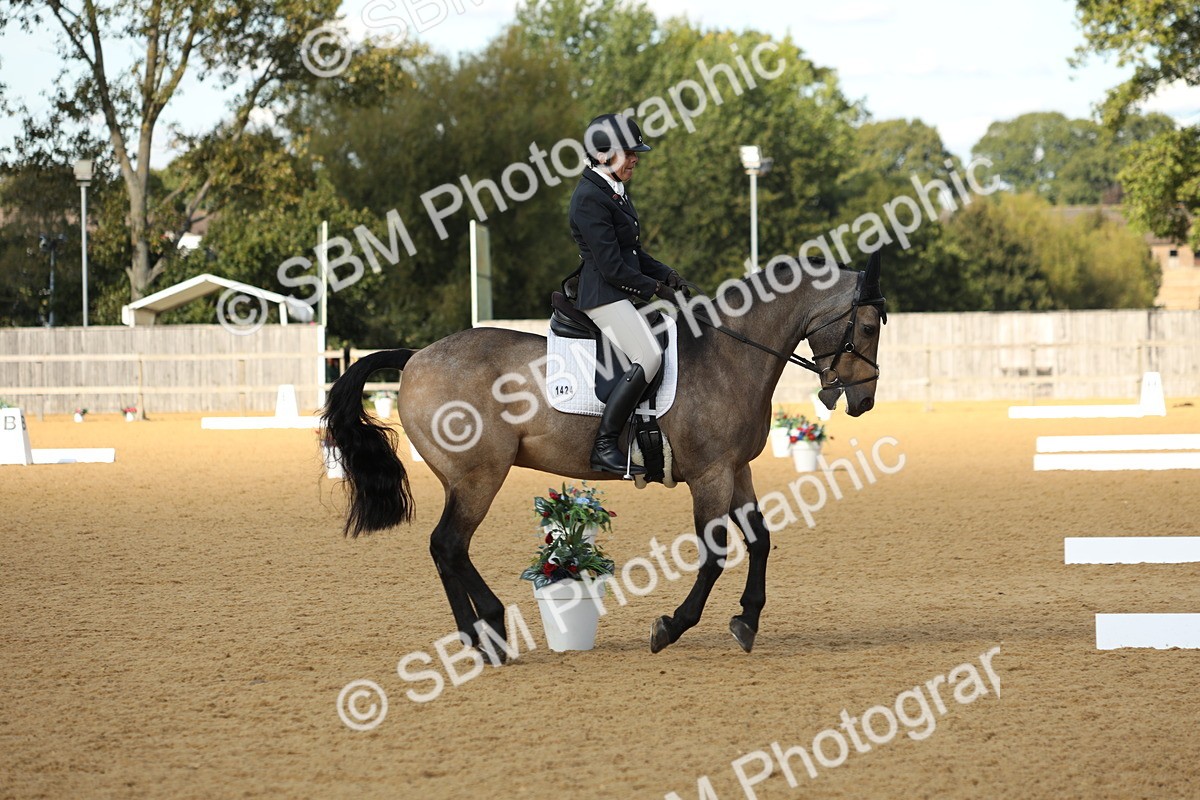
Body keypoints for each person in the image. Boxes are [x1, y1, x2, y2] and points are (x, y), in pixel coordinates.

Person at [569, 113, 690, 476]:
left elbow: (631, 253)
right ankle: (604, 445)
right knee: (648, 356)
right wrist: (656, 289)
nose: (635, 159)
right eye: (628, 153)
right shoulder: (589, 198)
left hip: (618, 291)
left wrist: (666, 273)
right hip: (603, 295)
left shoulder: (612, 190)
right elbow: (611, 267)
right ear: (603, 155)